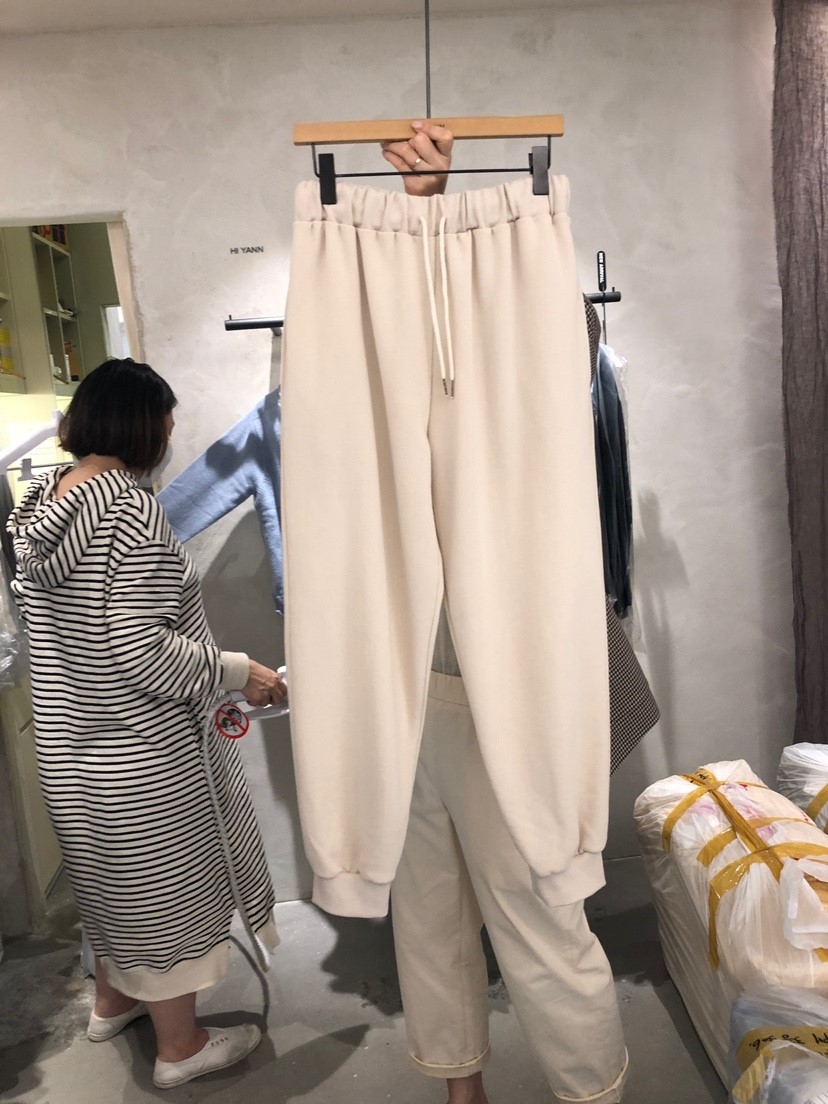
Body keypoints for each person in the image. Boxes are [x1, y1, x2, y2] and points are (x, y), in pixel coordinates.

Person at [379, 125, 628, 1104]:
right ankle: (463, 1092)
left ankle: (582, 1092)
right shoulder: (427, 386)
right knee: (434, 914)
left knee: (536, 915)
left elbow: (481, 342)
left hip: (497, 684)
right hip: (413, 680)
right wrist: (423, 214)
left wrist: (439, 214)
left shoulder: (541, 368)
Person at [8, 358, 286, 1090]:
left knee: (111, 886)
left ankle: (113, 1000)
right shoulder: (127, 510)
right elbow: (140, 651)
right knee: (169, 895)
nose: (168, 437)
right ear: (143, 425)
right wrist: (240, 671)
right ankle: (180, 1047)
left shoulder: (42, 508)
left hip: (71, 749)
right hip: (139, 753)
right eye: (166, 422)